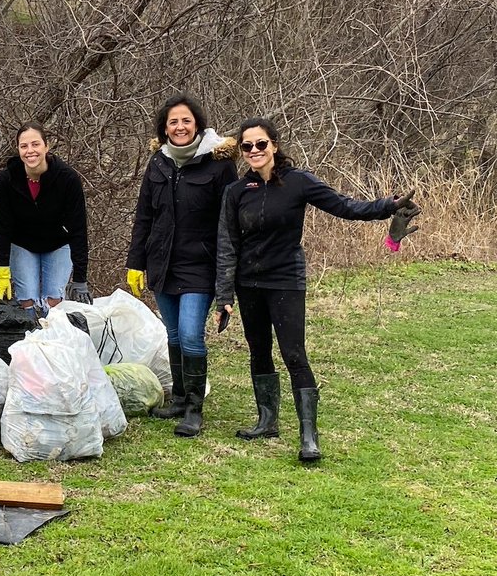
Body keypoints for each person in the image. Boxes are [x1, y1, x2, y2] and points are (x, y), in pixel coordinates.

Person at [215, 116, 419, 462]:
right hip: (248, 283)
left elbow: (345, 206)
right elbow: (227, 244)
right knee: (259, 350)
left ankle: (309, 436)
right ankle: (267, 421)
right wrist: (224, 296)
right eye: (247, 146)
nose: (254, 151)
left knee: (294, 355)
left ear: (274, 146)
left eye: (261, 144)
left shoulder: (298, 182)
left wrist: (388, 205)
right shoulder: (235, 192)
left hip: (286, 280)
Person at [125, 94, 239, 437]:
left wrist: (226, 278)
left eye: (186, 120)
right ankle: (177, 398)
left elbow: (228, 221)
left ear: (198, 124)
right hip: (163, 264)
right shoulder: (157, 163)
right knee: (173, 335)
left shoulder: (218, 164)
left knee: (191, 335)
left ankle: (193, 408)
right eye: (173, 122)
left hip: (201, 265)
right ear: (164, 128)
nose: (180, 127)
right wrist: (136, 262)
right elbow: (144, 215)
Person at [0, 122, 91, 312]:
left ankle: (51, 340)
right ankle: (29, 339)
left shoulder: (67, 178)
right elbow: (2, 228)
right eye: (24, 146)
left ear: (47, 146)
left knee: (53, 301)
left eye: (35, 144)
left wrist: (80, 278)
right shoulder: (6, 180)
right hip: (22, 243)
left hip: (58, 243)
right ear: (18, 149)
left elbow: (78, 229)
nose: (30, 151)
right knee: (27, 301)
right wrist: (1, 270)